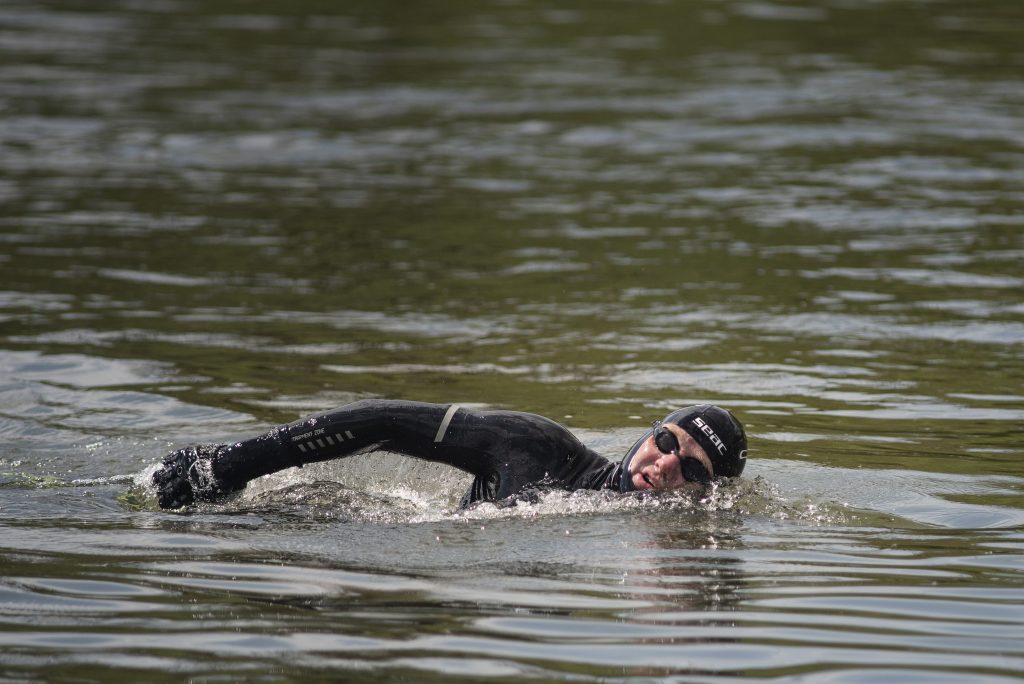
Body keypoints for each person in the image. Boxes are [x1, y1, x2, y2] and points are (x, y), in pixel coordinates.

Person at [152, 400, 748, 510]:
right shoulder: (535, 446)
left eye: (693, 469)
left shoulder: (689, 541)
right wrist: (231, 464)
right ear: (650, 433)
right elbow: (384, 422)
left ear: (708, 493)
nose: (668, 464)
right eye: (668, 441)